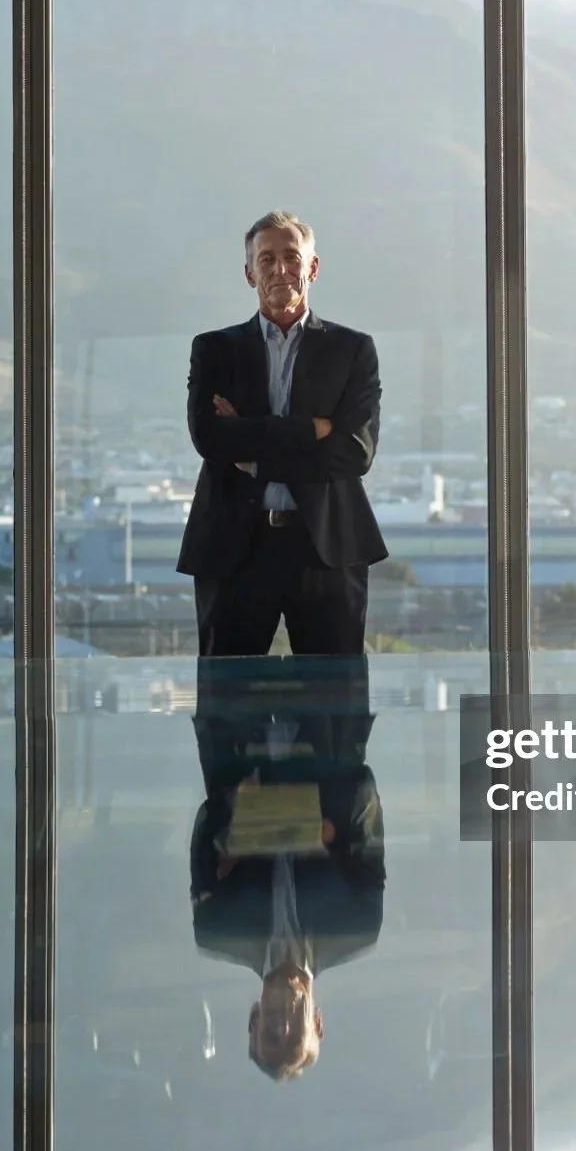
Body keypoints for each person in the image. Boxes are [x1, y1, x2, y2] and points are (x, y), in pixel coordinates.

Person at [177, 211, 388, 656]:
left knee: (335, 693)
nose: (280, 269)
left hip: (327, 549)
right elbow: (211, 440)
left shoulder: (352, 350)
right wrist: (310, 429)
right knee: (227, 692)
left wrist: (254, 453)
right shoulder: (215, 350)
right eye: (267, 259)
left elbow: (354, 451)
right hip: (234, 548)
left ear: (313, 267)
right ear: (249, 273)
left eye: (292, 257)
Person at [188, 655, 385, 1082]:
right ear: (318, 1023)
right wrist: (318, 827)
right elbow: (364, 796)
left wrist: (242, 816)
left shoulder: (216, 929)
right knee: (331, 626)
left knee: (231, 626)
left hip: (234, 720)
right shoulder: (357, 927)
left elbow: (207, 823)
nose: (282, 1026)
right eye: (293, 1036)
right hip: (329, 713)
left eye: (269, 1035)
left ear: (252, 1019)